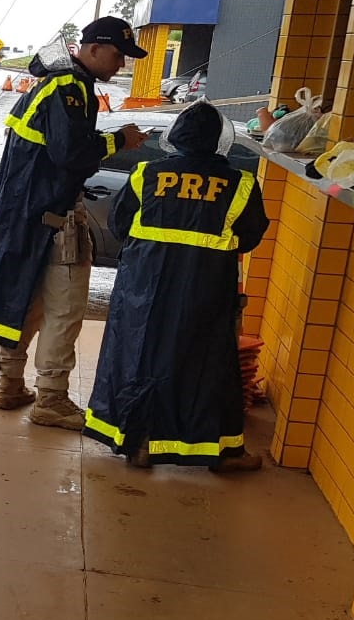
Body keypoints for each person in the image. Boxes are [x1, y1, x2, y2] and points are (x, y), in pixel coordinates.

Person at [0, 16, 149, 429]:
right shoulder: (70, 88)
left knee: (22, 297)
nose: (120, 65)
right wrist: (120, 140)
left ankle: (10, 385)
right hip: (54, 216)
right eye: (118, 55)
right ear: (94, 48)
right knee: (64, 305)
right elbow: (70, 154)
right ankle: (52, 398)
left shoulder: (51, 83)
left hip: (21, 216)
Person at [84, 101, 270, 473]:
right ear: (219, 141)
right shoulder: (240, 183)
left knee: (135, 357)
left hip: (142, 288)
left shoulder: (145, 174)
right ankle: (222, 452)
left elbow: (119, 226)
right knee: (207, 364)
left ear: (176, 137)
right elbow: (250, 236)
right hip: (205, 289)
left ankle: (138, 442)